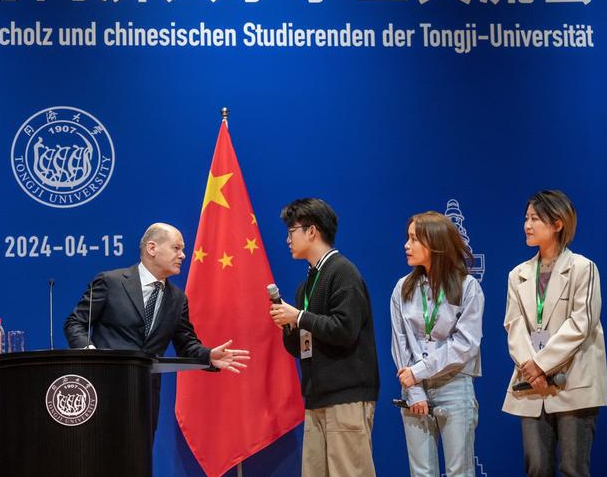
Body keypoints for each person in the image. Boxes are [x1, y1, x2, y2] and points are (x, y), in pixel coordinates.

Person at [64, 223, 249, 434]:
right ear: (152, 248)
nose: (183, 255)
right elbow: (75, 323)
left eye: (183, 250)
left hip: (145, 395)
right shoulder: (110, 282)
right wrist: (92, 356)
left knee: (140, 452)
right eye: (176, 248)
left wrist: (208, 356)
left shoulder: (177, 299)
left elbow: (187, 345)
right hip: (103, 385)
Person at [269, 198, 379, 477]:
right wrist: (289, 326)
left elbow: (345, 330)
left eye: (291, 231)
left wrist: (299, 317)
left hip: (346, 396)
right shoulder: (305, 286)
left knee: (349, 472)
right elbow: (302, 348)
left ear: (312, 231)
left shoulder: (342, 271)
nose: (287, 240)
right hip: (316, 397)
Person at [503, 190, 607, 477]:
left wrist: (540, 364)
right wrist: (530, 367)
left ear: (558, 223)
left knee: (573, 468)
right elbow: (514, 325)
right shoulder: (518, 274)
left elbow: (581, 323)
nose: (527, 225)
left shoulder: (583, 268)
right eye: (526, 218)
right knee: (537, 468)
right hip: (532, 385)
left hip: (574, 381)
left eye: (535, 219)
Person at [390, 211, 484, 477]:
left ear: (435, 243)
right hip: (413, 387)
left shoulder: (468, 287)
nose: (406, 245)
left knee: (459, 471)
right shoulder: (402, 288)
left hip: (454, 385)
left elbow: (464, 345)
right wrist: (414, 389)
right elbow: (400, 342)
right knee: (421, 472)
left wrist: (417, 372)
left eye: (414, 239)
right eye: (407, 238)